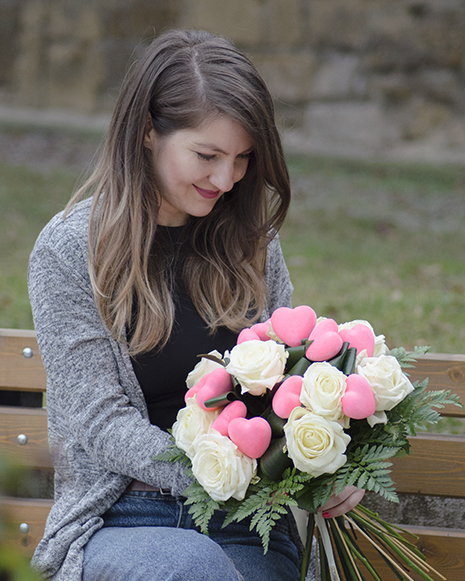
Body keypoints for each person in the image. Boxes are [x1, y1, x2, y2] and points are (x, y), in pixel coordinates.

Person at [28, 29, 364, 581]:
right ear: (146, 132)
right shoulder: (69, 251)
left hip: (243, 522)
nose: (226, 179)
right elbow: (100, 422)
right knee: (195, 567)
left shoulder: (251, 242)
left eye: (242, 159)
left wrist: (326, 463)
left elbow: (289, 382)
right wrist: (229, 471)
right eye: (207, 155)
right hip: (120, 517)